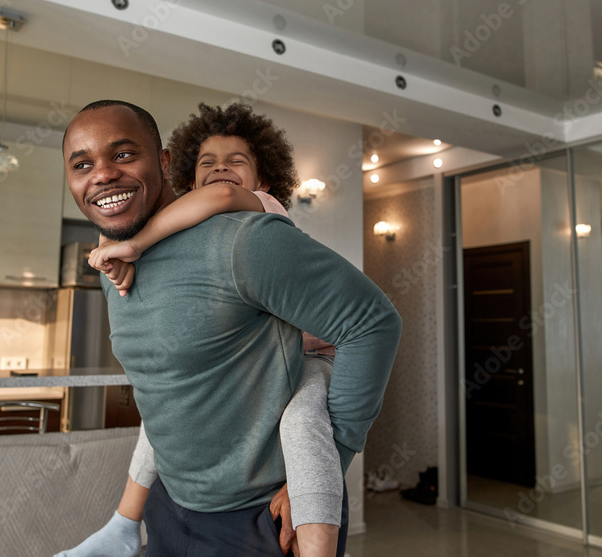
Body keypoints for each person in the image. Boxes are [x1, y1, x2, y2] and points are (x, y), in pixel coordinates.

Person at [59, 99, 401, 557]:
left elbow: (372, 323)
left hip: (259, 523)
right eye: (83, 164)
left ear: (162, 162)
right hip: (168, 509)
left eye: (123, 154)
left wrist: (322, 472)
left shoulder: (244, 240)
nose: (102, 175)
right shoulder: (115, 266)